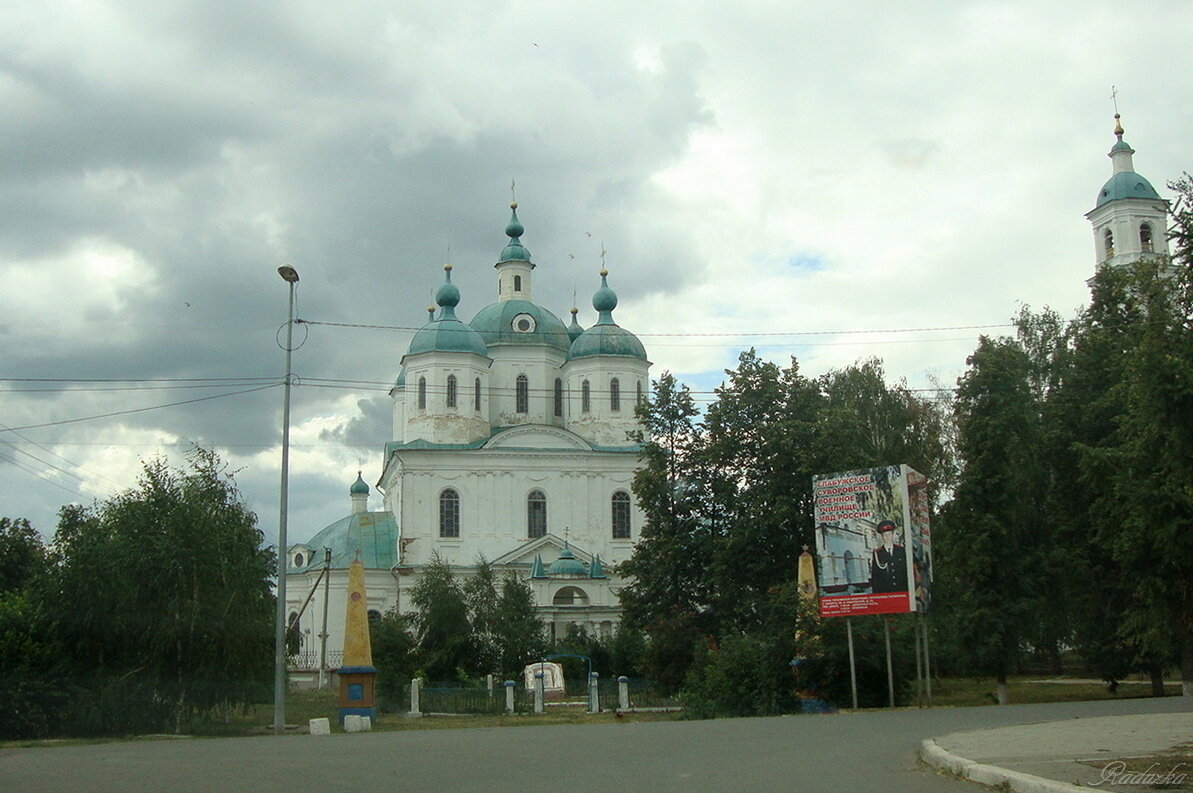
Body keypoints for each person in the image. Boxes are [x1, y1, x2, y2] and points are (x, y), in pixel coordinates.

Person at [869, 520, 908, 593]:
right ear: (882, 536)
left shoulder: (901, 550)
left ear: (893, 534)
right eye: (885, 535)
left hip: (902, 590)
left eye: (889, 534)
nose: (887, 537)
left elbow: (907, 571)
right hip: (885, 592)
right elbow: (875, 577)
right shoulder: (877, 553)